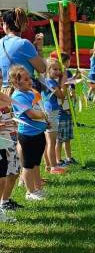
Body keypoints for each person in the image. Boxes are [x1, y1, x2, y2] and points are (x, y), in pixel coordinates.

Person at [9, 64, 49, 200]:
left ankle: (38, 189)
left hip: (38, 133)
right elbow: (32, 114)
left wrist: (45, 121)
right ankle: (30, 192)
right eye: (25, 79)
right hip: (28, 136)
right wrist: (44, 115)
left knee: (36, 164)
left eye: (29, 78)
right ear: (16, 83)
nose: (30, 81)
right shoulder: (18, 96)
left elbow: (38, 107)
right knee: (28, 165)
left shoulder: (30, 92)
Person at [0, 8, 46, 89]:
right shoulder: (24, 43)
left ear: (6, 25)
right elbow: (42, 69)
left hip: (4, 90)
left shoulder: (1, 42)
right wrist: (39, 48)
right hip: (23, 90)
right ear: (23, 25)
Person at [42, 58, 68, 174]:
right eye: (55, 69)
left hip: (50, 111)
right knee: (51, 142)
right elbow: (61, 95)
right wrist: (64, 82)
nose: (58, 72)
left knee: (48, 142)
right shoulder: (50, 82)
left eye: (59, 69)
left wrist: (62, 79)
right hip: (51, 112)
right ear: (48, 70)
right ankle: (53, 167)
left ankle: (48, 165)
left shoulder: (49, 80)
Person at [0, 88, 20, 220]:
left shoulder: (4, 97)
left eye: (1, 79)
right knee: (2, 178)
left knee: (12, 173)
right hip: (3, 141)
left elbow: (10, 111)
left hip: (7, 140)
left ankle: (4, 203)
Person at [56, 52, 77, 165]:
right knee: (59, 139)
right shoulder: (58, 76)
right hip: (60, 114)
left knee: (68, 137)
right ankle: (58, 159)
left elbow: (72, 85)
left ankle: (69, 158)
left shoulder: (67, 73)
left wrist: (72, 91)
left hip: (68, 111)